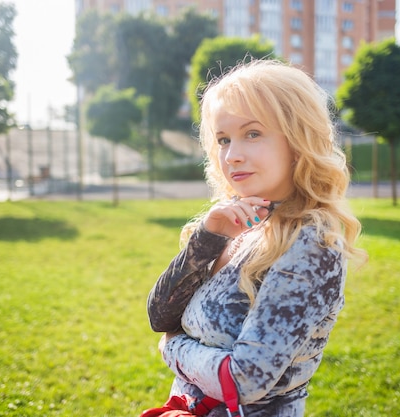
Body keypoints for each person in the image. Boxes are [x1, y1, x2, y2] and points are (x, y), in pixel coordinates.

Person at [147, 59, 365, 416]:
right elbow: (160, 316)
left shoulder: (311, 244)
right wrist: (208, 238)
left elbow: (245, 380)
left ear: (298, 141)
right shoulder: (232, 223)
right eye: (223, 139)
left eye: (252, 134)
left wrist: (174, 350)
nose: (232, 156)